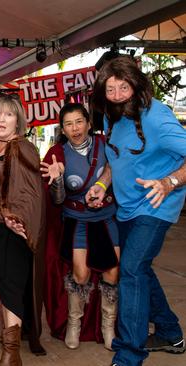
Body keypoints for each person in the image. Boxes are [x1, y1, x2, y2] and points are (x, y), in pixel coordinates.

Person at [91, 56, 186, 366]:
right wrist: (102, 186)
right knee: (140, 268)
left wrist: (169, 182)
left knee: (130, 271)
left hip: (157, 205)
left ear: (137, 84)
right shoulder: (111, 115)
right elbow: (114, 160)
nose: (117, 94)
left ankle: (129, 355)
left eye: (124, 87)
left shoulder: (158, 118)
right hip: (126, 206)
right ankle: (171, 332)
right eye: (110, 88)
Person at [40, 103, 119, 350]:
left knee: (112, 274)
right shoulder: (57, 153)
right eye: (68, 124)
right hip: (77, 222)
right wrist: (58, 178)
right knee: (80, 275)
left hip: (106, 219)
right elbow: (57, 200)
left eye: (79, 122)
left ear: (88, 123)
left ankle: (108, 326)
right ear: (62, 128)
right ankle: (74, 323)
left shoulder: (105, 145)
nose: (75, 128)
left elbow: (118, 170)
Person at [0, 94, 45, 366]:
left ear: (18, 120)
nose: (2, 119)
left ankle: (11, 354)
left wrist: (15, 216)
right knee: (0, 283)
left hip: (14, 228)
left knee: (11, 285)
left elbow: (31, 192)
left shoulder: (23, 147)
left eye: (8, 114)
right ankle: (12, 332)